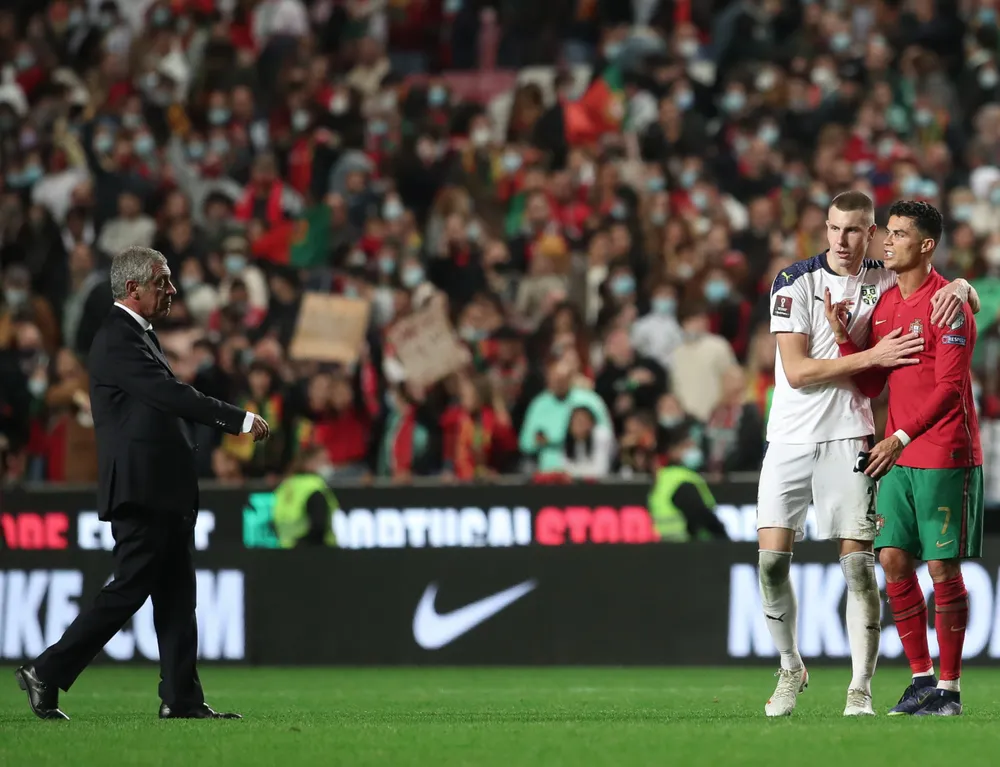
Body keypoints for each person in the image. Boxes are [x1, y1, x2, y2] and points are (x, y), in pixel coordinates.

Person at [14, 246, 270, 721]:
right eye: (162, 281)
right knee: (129, 589)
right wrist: (237, 419)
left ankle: (182, 698)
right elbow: (169, 394)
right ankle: (46, 671)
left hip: (161, 490)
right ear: (133, 288)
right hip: (142, 490)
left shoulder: (137, 335)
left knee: (177, 597)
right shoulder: (117, 337)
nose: (171, 290)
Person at [758, 191, 979, 718]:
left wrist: (965, 287)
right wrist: (849, 341)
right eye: (835, 228)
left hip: (909, 445)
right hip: (860, 447)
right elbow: (847, 377)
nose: (852, 240)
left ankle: (927, 688)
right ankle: (908, 678)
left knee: (916, 568)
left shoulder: (920, 293)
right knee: (882, 561)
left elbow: (950, 384)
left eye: (870, 231)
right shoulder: (851, 294)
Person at [830, 201, 981, 717]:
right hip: (898, 452)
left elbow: (950, 389)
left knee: (940, 565)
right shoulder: (887, 304)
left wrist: (898, 435)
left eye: (898, 234)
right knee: (892, 558)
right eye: (887, 233)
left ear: (926, 245)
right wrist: (846, 340)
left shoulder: (949, 303)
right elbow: (874, 382)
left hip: (943, 449)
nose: (887, 242)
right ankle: (921, 680)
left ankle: (950, 689)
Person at [647, 426, 729, 542]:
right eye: (687, 445)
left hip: (666, 545)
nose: (692, 450)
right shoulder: (681, 479)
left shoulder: (663, 478)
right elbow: (702, 516)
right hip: (689, 546)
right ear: (673, 451)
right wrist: (723, 538)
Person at [272, 445, 339, 548]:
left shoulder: (284, 486)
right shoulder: (314, 487)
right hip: (314, 552)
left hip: (284, 549)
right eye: (324, 460)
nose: (328, 465)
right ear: (309, 463)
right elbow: (319, 526)